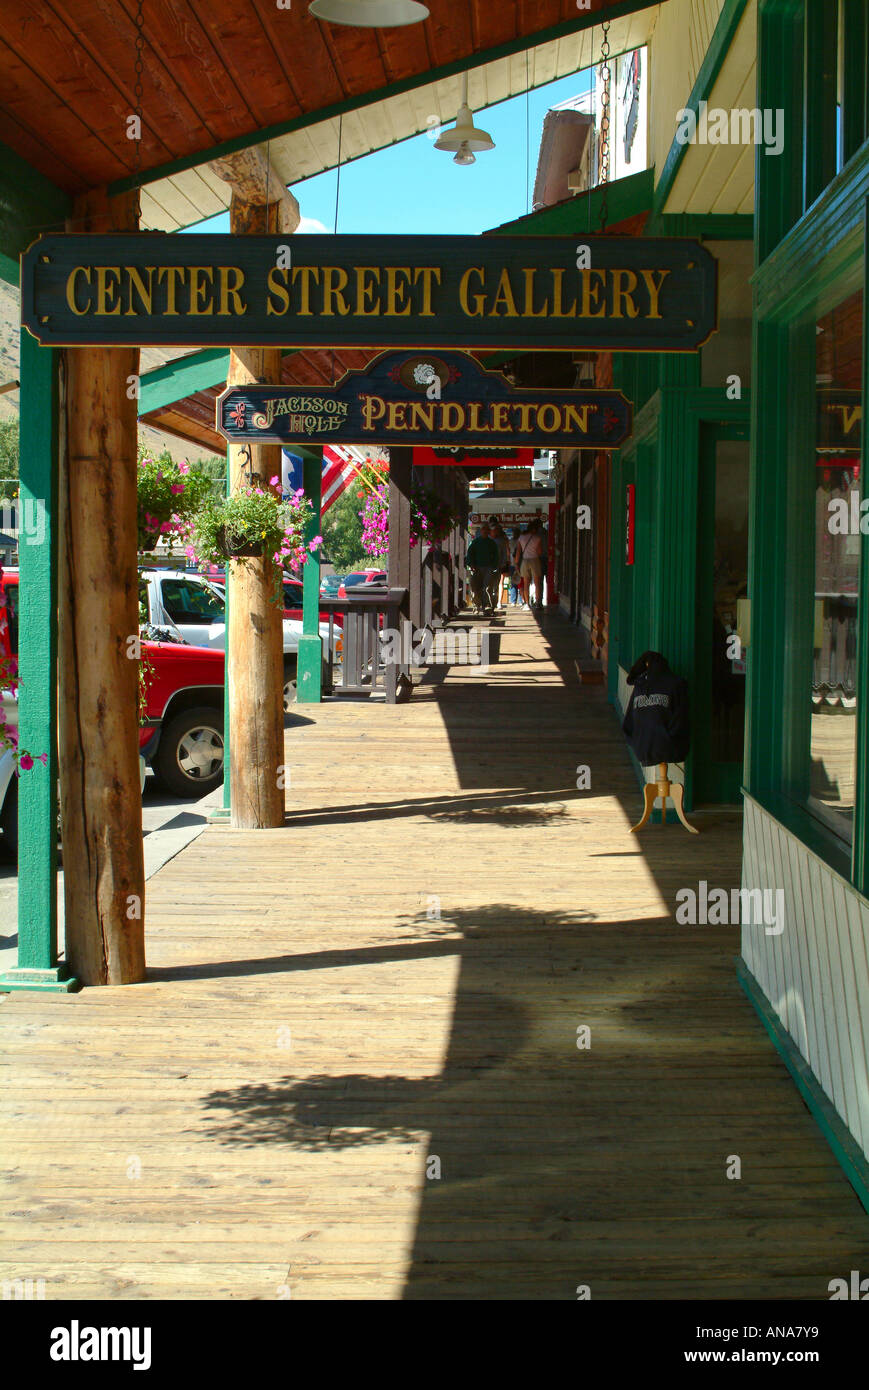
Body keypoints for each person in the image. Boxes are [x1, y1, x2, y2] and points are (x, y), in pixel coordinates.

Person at [465, 524, 500, 615]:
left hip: (488, 568)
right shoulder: (475, 542)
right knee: (476, 589)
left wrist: (494, 566)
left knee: (487, 588)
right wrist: (471, 564)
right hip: (477, 568)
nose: (484, 531)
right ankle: (476, 606)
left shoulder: (492, 543)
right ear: (481, 531)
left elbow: (496, 556)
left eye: (486, 530)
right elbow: (470, 554)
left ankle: (487, 607)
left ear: (488, 531)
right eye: (483, 529)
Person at [517, 518, 545, 610]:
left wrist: (517, 564)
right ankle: (537, 603)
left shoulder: (521, 538)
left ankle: (526, 604)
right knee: (537, 583)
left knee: (526, 583)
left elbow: (518, 552)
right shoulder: (537, 538)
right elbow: (540, 552)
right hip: (535, 560)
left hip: (525, 561)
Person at [488, 520, 511, 610]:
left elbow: (505, 553)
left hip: (499, 565)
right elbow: (506, 553)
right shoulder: (502, 540)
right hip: (492, 565)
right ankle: (495, 602)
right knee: (495, 583)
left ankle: (498, 602)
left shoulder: (500, 541)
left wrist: (504, 563)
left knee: (499, 583)